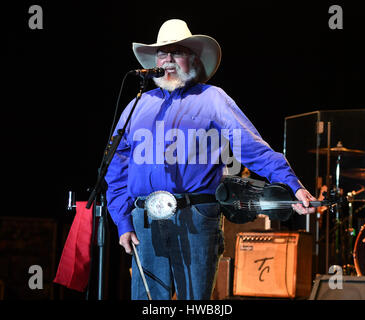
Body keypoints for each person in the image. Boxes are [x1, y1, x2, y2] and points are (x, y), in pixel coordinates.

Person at [105, 19, 316, 300]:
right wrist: (122, 222)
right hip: (145, 219)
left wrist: (292, 184)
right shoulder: (137, 105)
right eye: (162, 53)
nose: (167, 59)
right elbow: (115, 167)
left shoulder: (212, 98)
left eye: (176, 51)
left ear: (192, 58)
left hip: (196, 216)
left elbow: (252, 148)